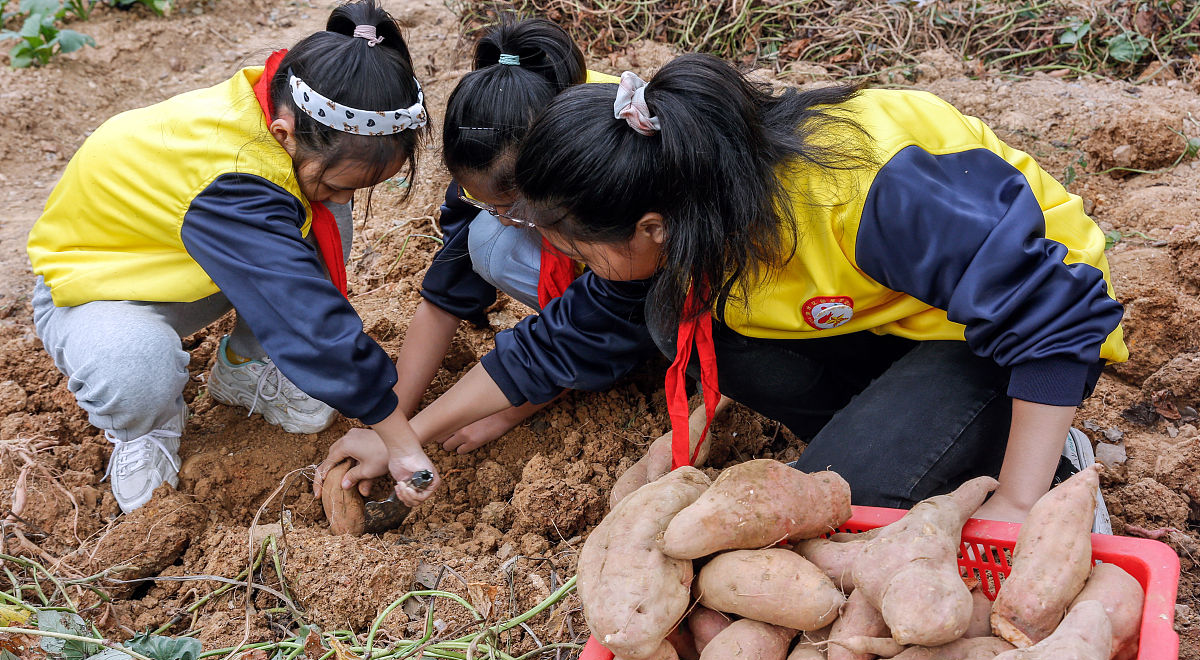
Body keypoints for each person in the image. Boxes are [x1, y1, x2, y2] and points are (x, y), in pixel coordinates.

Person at [404, 54, 1127, 529]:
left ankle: (1049, 459)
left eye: (569, 242)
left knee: (849, 500)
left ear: (650, 226)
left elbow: (1057, 310)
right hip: (899, 325)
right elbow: (568, 333)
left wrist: (1019, 500)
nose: (559, 256)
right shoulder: (692, 201)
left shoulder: (863, 193)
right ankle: (904, 431)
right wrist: (409, 438)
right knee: (669, 320)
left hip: (1003, 330)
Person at [28, 0, 440, 514]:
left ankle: (247, 363)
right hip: (99, 285)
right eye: (340, 184)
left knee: (319, 217)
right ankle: (144, 430)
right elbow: (304, 314)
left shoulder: (283, 100)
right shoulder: (236, 175)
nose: (343, 200)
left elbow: (295, 287)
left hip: (187, 262)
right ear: (283, 133)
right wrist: (399, 441)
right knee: (137, 366)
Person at [316, 17, 657, 497]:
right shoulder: (492, 145)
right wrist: (390, 422)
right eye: (484, 202)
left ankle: (642, 354)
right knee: (487, 240)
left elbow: (576, 332)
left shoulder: (612, 174)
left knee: (621, 308)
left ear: (550, 169)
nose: (501, 216)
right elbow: (443, 298)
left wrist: (514, 406)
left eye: (513, 205)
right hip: (605, 283)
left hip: (656, 286)